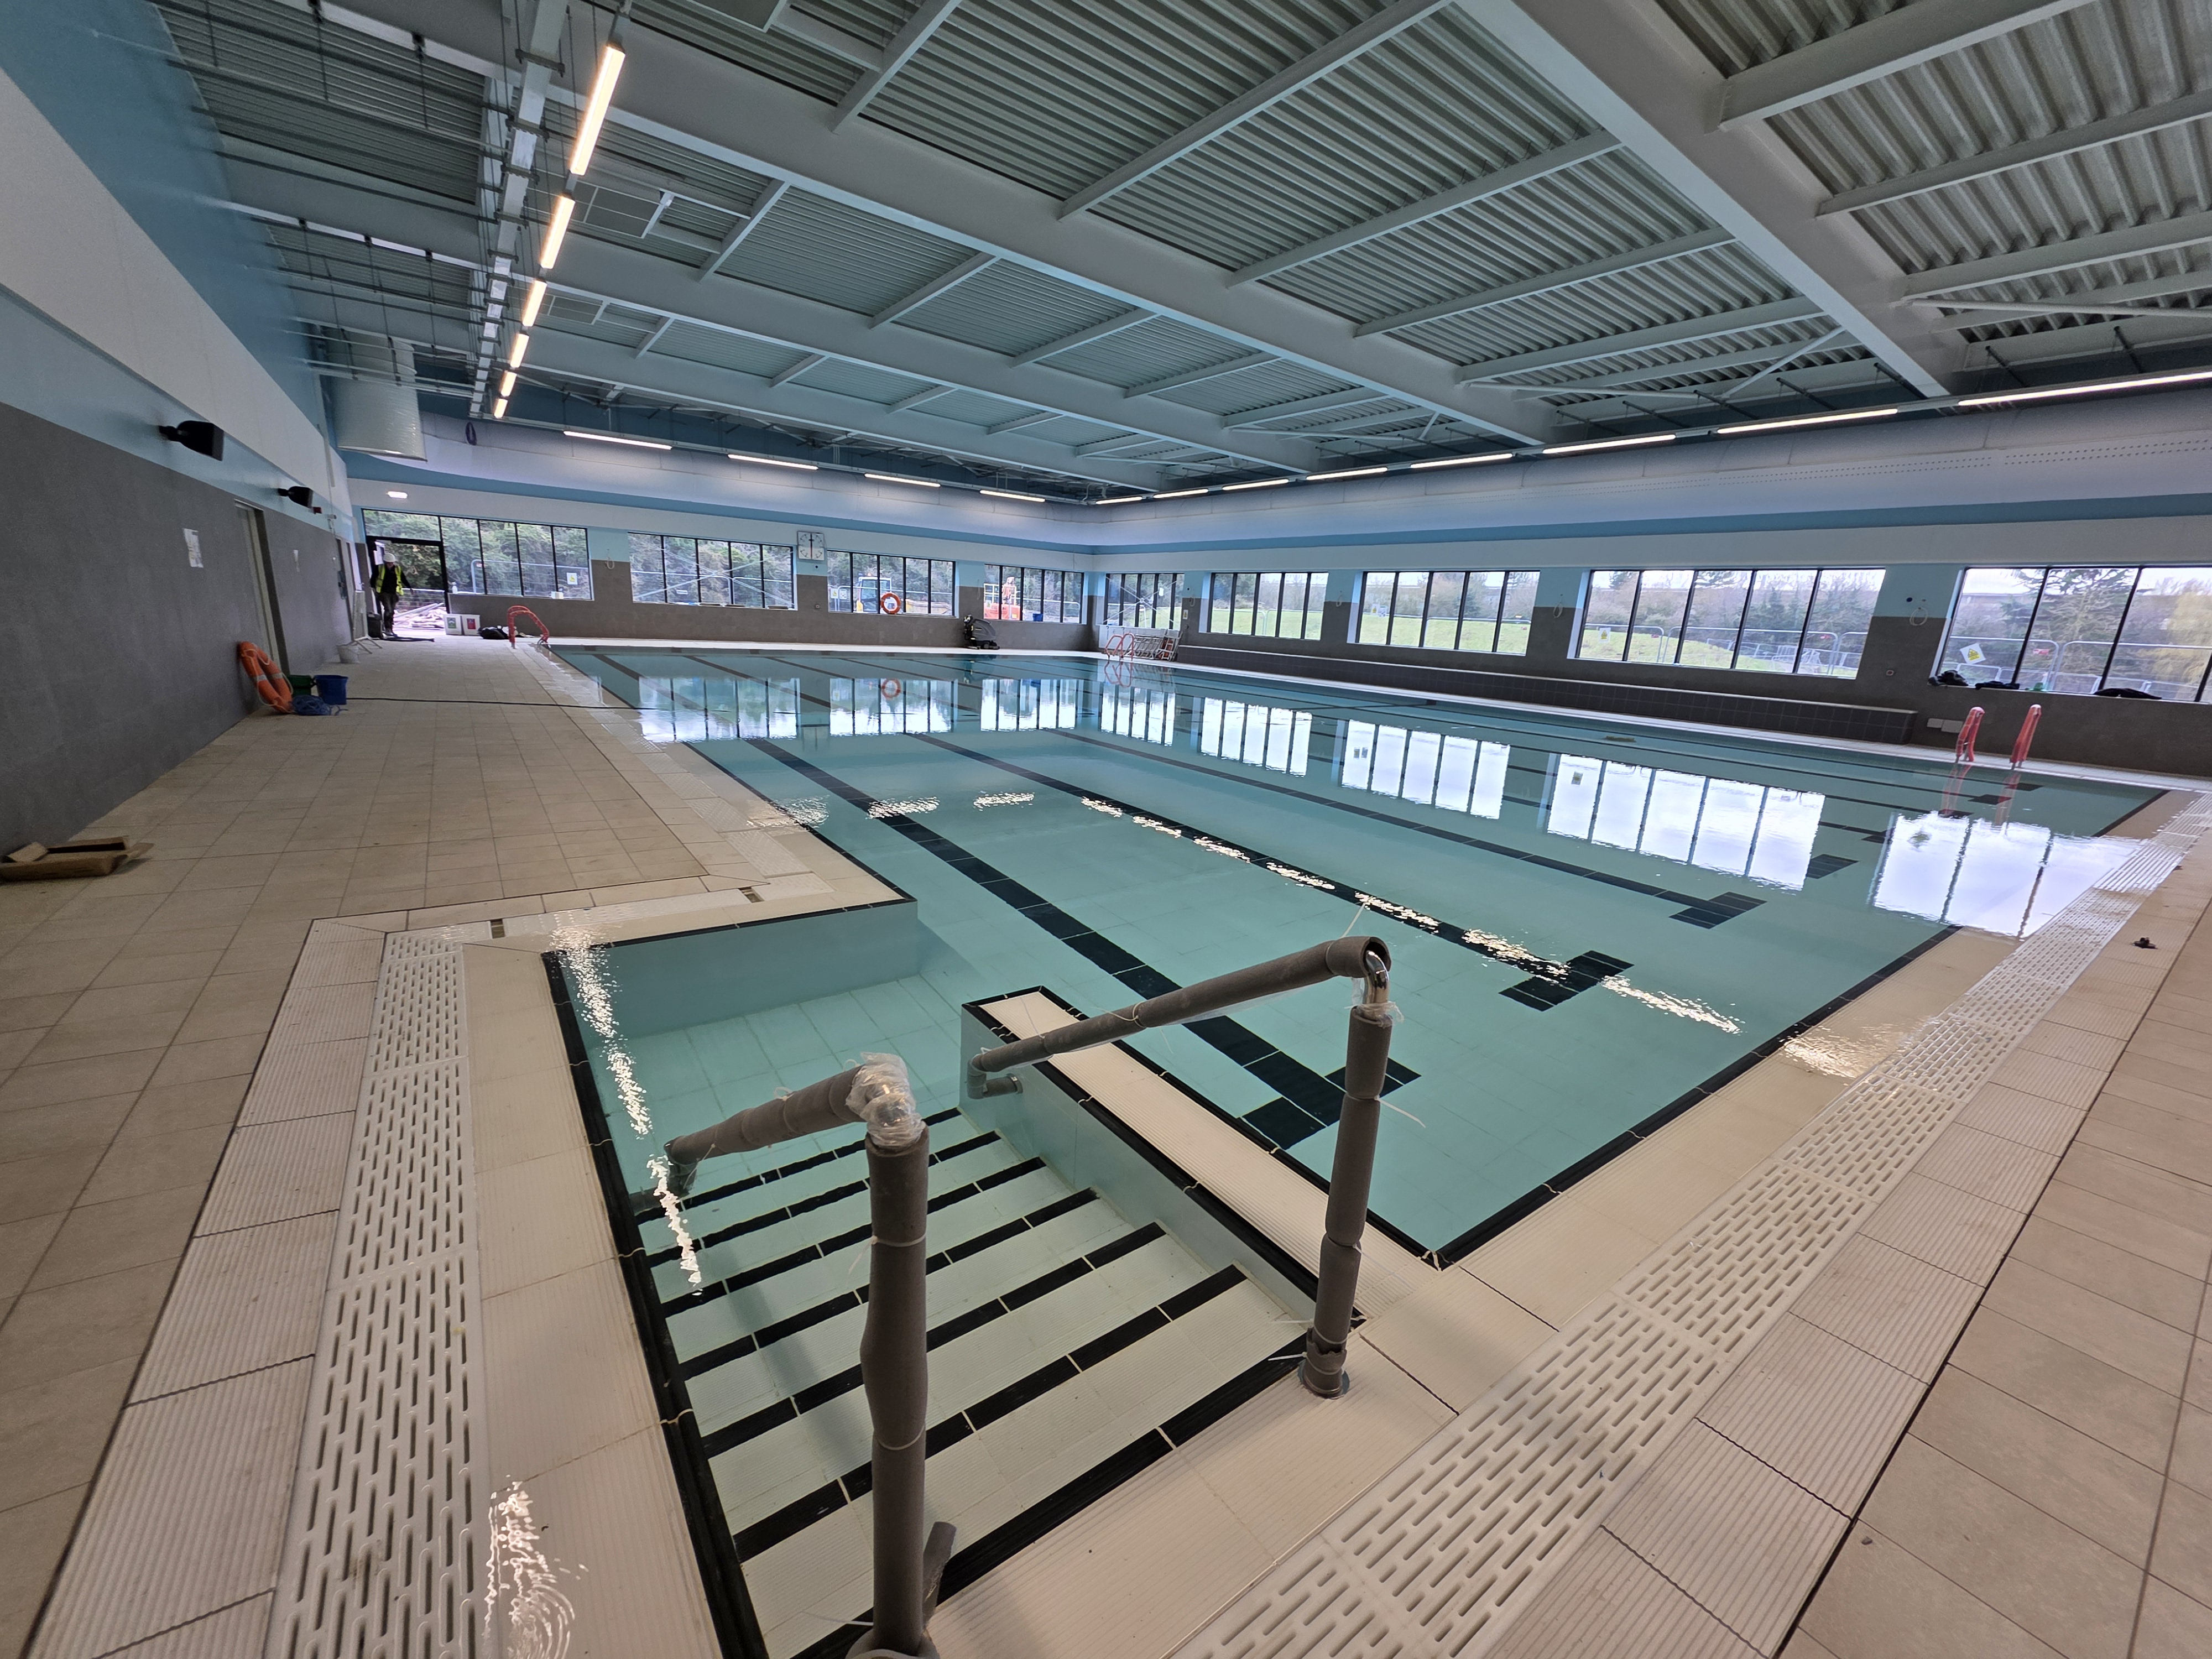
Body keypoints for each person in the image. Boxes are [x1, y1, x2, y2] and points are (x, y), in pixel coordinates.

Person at [371, 555, 401, 637]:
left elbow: (402, 578)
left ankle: (390, 629)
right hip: (384, 593)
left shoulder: (397, 569)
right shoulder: (379, 568)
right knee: (388, 610)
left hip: (393, 593)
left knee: (392, 612)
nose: (390, 565)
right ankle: (387, 629)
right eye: (389, 563)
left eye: (391, 563)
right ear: (386, 563)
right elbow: (373, 579)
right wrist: (374, 590)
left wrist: (409, 587)